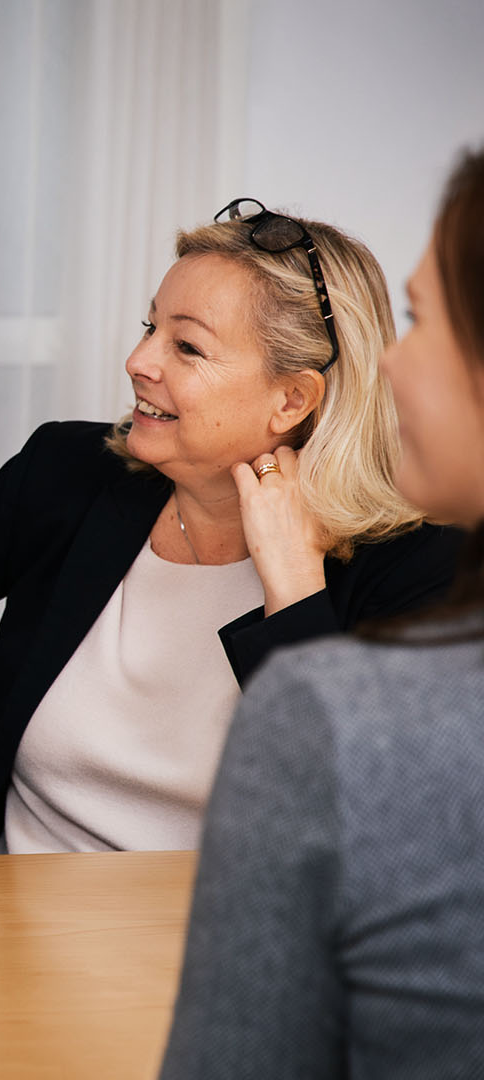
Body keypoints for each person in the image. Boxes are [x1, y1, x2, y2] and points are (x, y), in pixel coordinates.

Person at [0, 201, 462, 861]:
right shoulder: (67, 475)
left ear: (291, 399)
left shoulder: (418, 569)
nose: (138, 360)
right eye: (150, 327)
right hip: (11, 910)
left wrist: (293, 588)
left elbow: (377, 828)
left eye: (187, 346)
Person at [160, 148, 484, 1077]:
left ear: (292, 401)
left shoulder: (375, 647)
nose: (387, 366)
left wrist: (295, 586)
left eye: (422, 323)